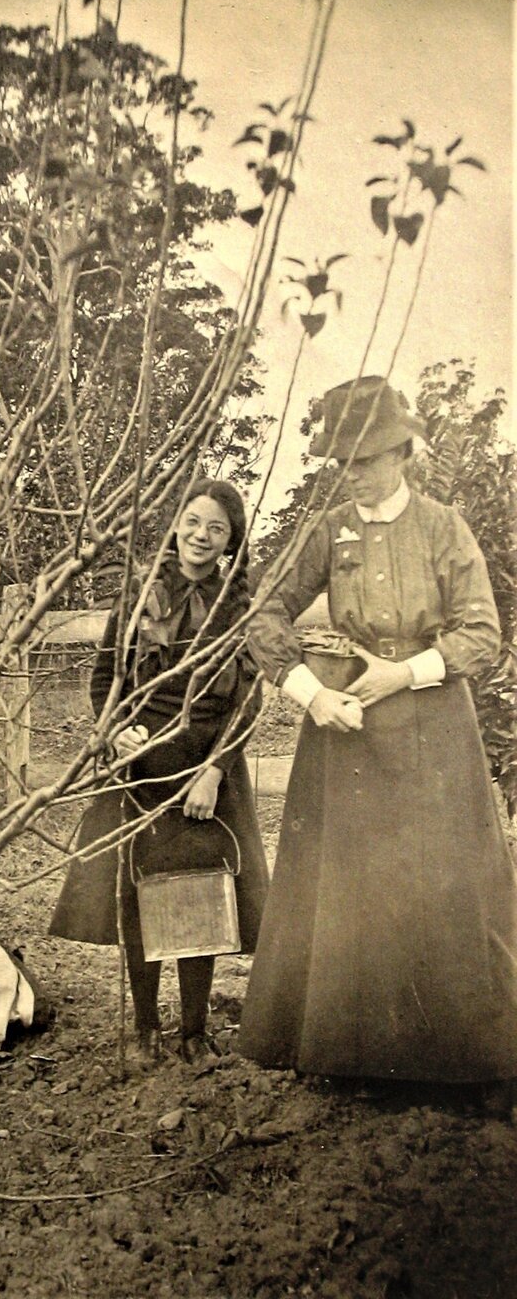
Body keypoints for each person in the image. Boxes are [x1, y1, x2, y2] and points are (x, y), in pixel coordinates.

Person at [238, 376, 517, 1107]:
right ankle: (358, 1055)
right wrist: (311, 692)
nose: (353, 473)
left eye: (365, 458)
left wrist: (407, 673)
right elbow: (262, 614)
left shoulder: (443, 526)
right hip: (348, 731)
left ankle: (472, 1064)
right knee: (356, 894)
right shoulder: (328, 531)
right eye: (342, 462)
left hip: (434, 728)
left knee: (447, 889)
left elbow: (482, 632)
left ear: (402, 452)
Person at [49, 478, 270, 1067]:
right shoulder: (140, 594)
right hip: (140, 766)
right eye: (193, 522)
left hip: (206, 769)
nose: (201, 536)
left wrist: (214, 771)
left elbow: (248, 700)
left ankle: (194, 1032)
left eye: (216, 529)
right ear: (178, 525)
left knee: (203, 896)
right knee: (139, 896)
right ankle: (145, 1028)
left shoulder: (239, 609)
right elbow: (104, 680)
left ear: (230, 543)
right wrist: (115, 730)